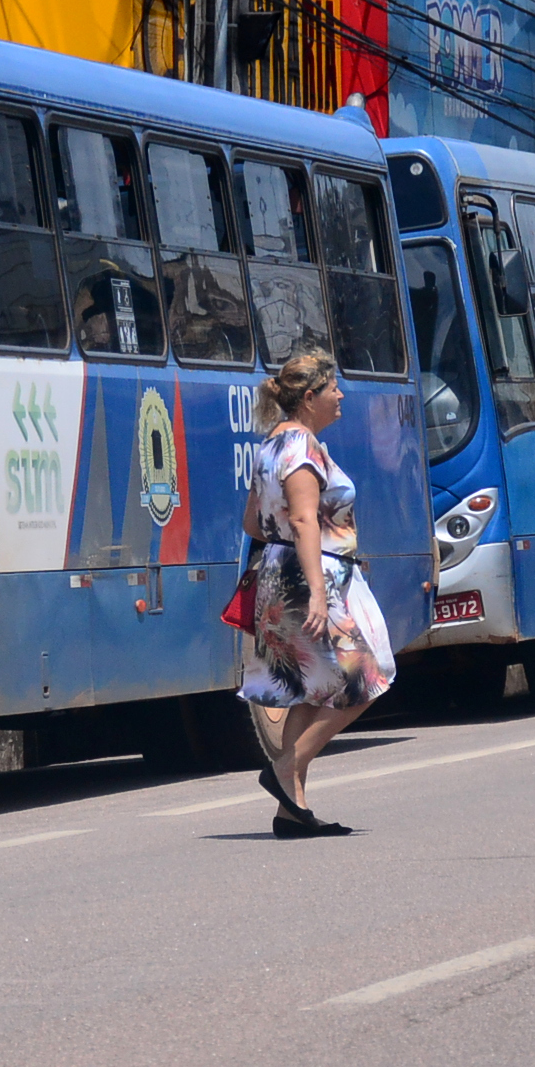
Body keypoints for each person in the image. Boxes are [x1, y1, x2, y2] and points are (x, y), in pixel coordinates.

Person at [240, 350, 394, 838]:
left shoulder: (271, 446)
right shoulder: (303, 447)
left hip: (278, 573)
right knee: (367, 677)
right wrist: (318, 594)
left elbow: (252, 523)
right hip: (311, 578)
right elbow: (306, 520)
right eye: (332, 389)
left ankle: (292, 810)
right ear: (310, 398)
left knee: (307, 688)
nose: (340, 395)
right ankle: (285, 768)